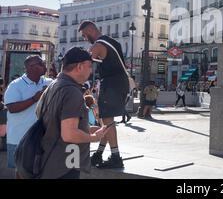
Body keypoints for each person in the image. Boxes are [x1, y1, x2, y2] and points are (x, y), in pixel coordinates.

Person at [37, 47, 109, 179]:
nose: (91, 70)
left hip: (49, 160)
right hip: (64, 165)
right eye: (89, 66)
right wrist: (93, 138)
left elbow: (49, 121)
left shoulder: (54, 85)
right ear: (80, 67)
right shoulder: (72, 92)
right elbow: (69, 134)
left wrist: (85, 129)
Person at [79, 20, 129, 169]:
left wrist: (82, 84)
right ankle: (99, 154)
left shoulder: (98, 45)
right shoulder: (111, 41)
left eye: (84, 35)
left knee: (107, 121)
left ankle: (115, 157)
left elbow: (85, 66)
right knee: (106, 122)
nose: (84, 38)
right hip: (120, 82)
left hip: (112, 83)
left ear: (90, 30)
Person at [3, 55, 53, 175]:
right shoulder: (15, 85)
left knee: (41, 170)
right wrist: (34, 99)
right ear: (31, 67)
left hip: (42, 137)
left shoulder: (49, 83)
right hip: (19, 138)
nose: (44, 65)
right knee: (20, 171)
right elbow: (11, 108)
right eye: (41, 63)